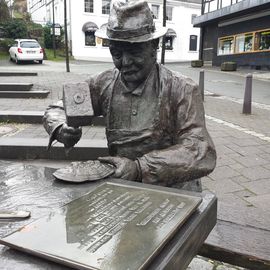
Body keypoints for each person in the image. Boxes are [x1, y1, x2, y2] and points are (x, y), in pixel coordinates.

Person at [43, 0, 216, 192]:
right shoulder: (103, 83)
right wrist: (60, 127)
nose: (125, 62)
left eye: (134, 52)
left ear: (154, 46)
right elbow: (58, 108)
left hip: (174, 190)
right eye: (116, 53)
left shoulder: (182, 88)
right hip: (123, 187)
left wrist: (140, 168)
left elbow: (200, 150)